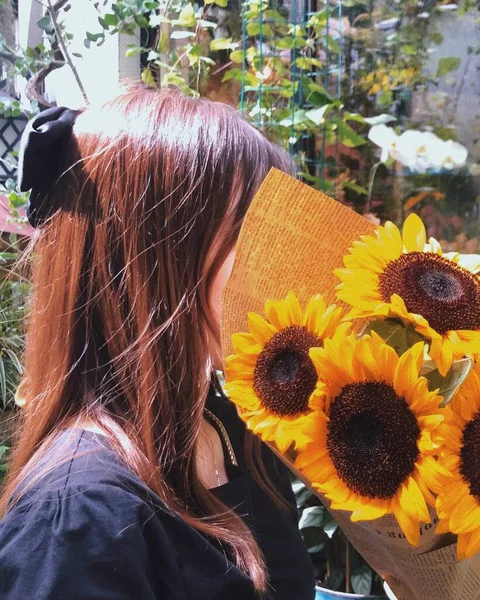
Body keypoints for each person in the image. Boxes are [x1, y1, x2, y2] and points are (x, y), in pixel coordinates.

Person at [0, 85, 316, 599]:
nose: (275, 263)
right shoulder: (78, 520)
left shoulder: (229, 425)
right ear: (154, 258)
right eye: (250, 232)